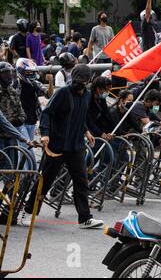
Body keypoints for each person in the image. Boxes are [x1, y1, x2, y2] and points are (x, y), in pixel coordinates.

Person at [20, 64, 103, 229]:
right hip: (57, 145)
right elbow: (47, 113)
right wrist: (45, 133)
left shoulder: (87, 95)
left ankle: (85, 218)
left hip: (76, 146)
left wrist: (86, 131)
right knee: (45, 181)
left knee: (81, 182)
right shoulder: (63, 93)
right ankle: (28, 212)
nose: (82, 83)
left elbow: (81, 117)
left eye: (85, 80)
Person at [16, 58, 54, 141]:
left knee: (28, 146)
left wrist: (50, 82)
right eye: (28, 72)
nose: (31, 74)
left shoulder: (34, 83)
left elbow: (49, 95)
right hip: (20, 121)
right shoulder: (15, 84)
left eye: (32, 72)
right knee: (26, 147)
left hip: (32, 119)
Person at [0, 62, 28, 150]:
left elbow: (20, 110)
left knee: (14, 160)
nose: (9, 76)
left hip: (12, 132)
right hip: (2, 133)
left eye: (10, 73)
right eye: (5, 74)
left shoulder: (11, 90)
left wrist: (19, 119)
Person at [86, 76, 114, 141]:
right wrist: (100, 133)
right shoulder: (87, 98)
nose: (107, 93)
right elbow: (88, 120)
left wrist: (114, 131)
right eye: (106, 90)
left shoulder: (101, 100)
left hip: (97, 129)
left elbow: (107, 116)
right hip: (87, 131)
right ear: (98, 88)